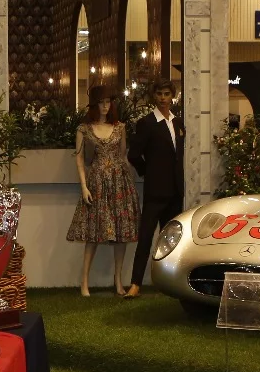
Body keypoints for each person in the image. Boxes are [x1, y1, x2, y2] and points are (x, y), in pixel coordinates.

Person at [67, 85, 141, 297]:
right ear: (94, 104)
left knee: (121, 232)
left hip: (120, 181)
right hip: (97, 182)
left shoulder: (120, 127)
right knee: (93, 232)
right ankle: (84, 282)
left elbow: (123, 156)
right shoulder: (84, 129)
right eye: (101, 102)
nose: (105, 106)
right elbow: (79, 159)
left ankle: (118, 281)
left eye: (108, 102)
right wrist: (83, 186)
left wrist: (132, 182)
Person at [125, 80, 185, 298]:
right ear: (154, 96)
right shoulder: (147, 123)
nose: (162, 97)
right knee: (146, 238)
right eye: (159, 93)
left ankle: (171, 285)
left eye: (166, 94)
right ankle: (135, 284)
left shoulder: (178, 123)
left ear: (172, 96)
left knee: (173, 241)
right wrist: (147, 171)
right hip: (155, 191)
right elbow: (133, 155)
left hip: (176, 191)